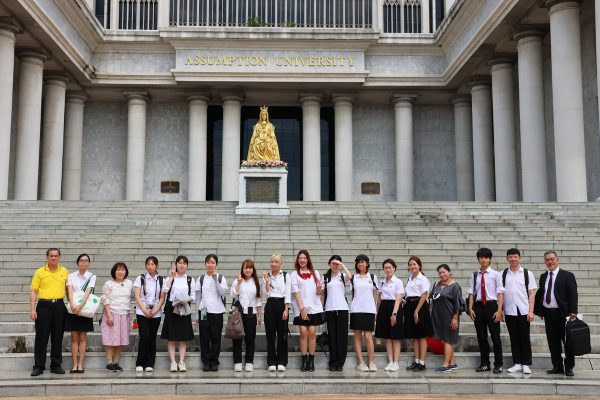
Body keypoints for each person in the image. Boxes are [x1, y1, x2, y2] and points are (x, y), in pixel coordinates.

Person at [534, 250, 578, 376]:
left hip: (564, 314)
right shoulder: (543, 276)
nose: (550, 261)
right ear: (545, 262)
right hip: (549, 314)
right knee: (553, 342)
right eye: (547, 260)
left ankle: (569, 367)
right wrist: (539, 310)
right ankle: (557, 366)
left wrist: (573, 311)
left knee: (568, 342)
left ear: (557, 260)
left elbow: (573, 294)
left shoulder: (567, 275)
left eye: (552, 259)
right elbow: (541, 293)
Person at [30, 248, 69, 376]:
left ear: (59, 257)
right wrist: (32, 309)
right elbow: (34, 291)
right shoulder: (40, 272)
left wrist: (71, 304)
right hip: (43, 306)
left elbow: (68, 290)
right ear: (47, 257)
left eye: (56, 256)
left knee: (57, 336)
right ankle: (38, 366)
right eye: (51, 255)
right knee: (41, 337)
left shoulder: (64, 271)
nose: (53, 258)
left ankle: (55, 365)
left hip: (59, 305)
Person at [468, 247, 504, 373]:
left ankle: (498, 364)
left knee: (495, 336)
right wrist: (470, 308)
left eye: (486, 257)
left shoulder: (496, 274)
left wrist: (499, 310)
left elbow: (500, 293)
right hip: (478, 307)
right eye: (481, 257)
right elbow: (472, 293)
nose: (483, 260)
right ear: (478, 259)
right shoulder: (474, 275)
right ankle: (485, 363)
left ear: (490, 259)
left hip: (492, 306)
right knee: (481, 337)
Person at [503, 248, 537, 375]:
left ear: (519, 258)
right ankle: (517, 363)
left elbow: (531, 293)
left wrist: (531, 311)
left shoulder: (527, 273)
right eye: (510, 257)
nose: (513, 259)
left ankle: (526, 364)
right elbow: (500, 293)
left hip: (523, 310)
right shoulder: (503, 274)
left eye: (515, 256)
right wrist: (501, 310)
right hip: (509, 310)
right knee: (514, 337)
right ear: (507, 258)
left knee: (524, 337)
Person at [291, 249, 325, 372]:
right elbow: (296, 292)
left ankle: (311, 360)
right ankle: (304, 360)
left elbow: (318, 292)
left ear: (308, 259)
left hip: (314, 307)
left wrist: (319, 289)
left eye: (304, 258)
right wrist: (302, 309)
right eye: (300, 258)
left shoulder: (315, 273)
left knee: (312, 332)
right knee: (303, 332)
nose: (302, 260)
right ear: (297, 260)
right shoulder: (294, 274)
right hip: (301, 307)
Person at [161, 255, 196, 372]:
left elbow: (193, 296)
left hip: (184, 308)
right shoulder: (170, 277)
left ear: (187, 265)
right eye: (179, 263)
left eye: (184, 263)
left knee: (183, 337)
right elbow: (165, 290)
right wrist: (171, 277)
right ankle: (172, 362)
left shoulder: (190, 279)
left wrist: (186, 299)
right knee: (171, 337)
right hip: (172, 308)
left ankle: (181, 362)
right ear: (176, 264)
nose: (182, 265)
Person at [133, 256, 166, 372]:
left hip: (156, 313)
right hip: (142, 312)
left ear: (156, 265)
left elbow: (162, 298)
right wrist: (144, 310)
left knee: (152, 337)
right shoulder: (140, 278)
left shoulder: (161, 280)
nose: (150, 266)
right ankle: (140, 363)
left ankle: (150, 363)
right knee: (144, 336)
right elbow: (137, 296)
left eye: (152, 264)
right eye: (148, 264)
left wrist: (156, 310)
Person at [429, 264, 464, 372]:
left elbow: (458, 303)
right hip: (438, 316)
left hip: (449, 317)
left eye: (444, 272)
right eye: (440, 273)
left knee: (448, 340)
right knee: (444, 340)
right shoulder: (436, 284)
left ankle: (446, 365)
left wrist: (455, 318)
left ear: (449, 272)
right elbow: (431, 298)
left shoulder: (455, 286)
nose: (442, 274)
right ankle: (452, 363)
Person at [196, 253, 228, 372]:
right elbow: (198, 297)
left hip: (217, 311)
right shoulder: (201, 278)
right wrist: (197, 314)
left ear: (216, 265)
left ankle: (214, 361)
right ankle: (206, 361)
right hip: (204, 311)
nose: (210, 264)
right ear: (205, 264)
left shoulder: (221, 278)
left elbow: (222, 293)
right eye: (208, 262)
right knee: (204, 337)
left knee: (216, 337)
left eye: (213, 262)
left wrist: (215, 279)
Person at [65, 253, 96, 373]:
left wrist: (80, 306)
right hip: (73, 309)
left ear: (89, 263)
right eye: (81, 260)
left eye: (86, 260)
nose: (84, 262)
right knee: (74, 336)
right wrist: (73, 305)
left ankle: (81, 364)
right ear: (77, 262)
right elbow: (69, 291)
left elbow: (88, 292)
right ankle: (74, 364)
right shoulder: (71, 276)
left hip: (85, 309)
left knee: (83, 336)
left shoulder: (92, 276)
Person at [100, 262, 133, 372]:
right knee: (110, 340)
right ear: (114, 271)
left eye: (122, 270)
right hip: (112, 314)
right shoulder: (109, 284)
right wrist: (109, 316)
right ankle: (109, 363)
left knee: (120, 340)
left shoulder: (129, 283)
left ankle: (116, 363)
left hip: (124, 315)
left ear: (126, 272)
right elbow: (105, 299)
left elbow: (134, 296)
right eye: (118, 270)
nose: (120, 272)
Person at [231, 259, 262, 372]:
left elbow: (259, 300)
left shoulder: (256, 282)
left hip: (251, 313)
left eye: (250, 268)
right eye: (245, 268)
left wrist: (259, 316)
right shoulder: (237, 280)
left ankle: (249, 362)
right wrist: (239, 283)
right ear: (242, 269)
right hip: (239, 313)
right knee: (237, 338)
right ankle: (237, 362)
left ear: (253, 269)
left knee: (250, 339)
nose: (248, 270)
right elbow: (233, 295)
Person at [262, 253, 291, 372]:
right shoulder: (266, 276)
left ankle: (282, 361)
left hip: (282, 304)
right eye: (272, 262)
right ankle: (271, 362)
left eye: (276, 262)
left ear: (281, 263)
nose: (274, 264)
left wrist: (286, 309)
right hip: (270, 305)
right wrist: (267, 281)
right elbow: (266, 294)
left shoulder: (285, 275)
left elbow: (288, 293)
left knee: (282, 334)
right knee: (270, 334)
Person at [322, 255, 352, 371]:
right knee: (332, 337)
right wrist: (322, 307)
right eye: (333, 263)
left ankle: (340, 363)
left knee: (342, 337)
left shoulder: (342, 276)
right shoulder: (325, 277)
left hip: (342, 309)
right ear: (329, 264)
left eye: (337, 264)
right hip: (330, 309)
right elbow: (322, 294)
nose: (335, 266)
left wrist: (342, 264)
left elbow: (350, 276)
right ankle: (332, 362)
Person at [403, 256, 433, 371]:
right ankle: (416, 361)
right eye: (410, 265)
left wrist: (416, 311)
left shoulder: (423, 279)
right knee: (415, 337)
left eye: (414, 264)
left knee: (422, 336)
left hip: (420, 306)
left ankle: (422, 362)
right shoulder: (409, 279)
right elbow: (408, 294)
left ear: (419, 265)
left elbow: (424, 295)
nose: (412, 266)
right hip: (410, 306)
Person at [350, 254, 378, 372]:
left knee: (368, 337)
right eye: (358, 262)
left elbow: (374, 295)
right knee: (357, 337)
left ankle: (371, 362)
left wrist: (374, 309)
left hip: (369, 310)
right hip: (356, 310)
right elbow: (353, 295)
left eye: (363, 262)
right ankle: (360, 363)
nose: (360, 264)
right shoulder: (353, 278)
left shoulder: (372, 277)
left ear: (367, 263)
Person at [375, 258, 405, 372]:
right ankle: (390, 361)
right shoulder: (382, 282)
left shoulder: (398, 282)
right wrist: (378, 312)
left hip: (394, 308)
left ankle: (396, 362)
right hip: (384, 308)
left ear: (394, 268)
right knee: (387, 336)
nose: (388, 270)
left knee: (395, 337)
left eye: (390, 267)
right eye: (386, 268)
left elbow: (398, 299)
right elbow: (379, 298)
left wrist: (394, 314)